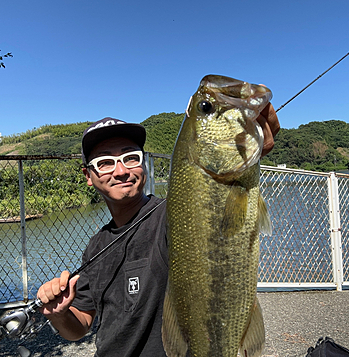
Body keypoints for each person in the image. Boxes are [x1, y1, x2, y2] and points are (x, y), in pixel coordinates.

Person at [36, 104, 280, 356]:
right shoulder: (95, 247)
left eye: (131, 157)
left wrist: (238, 148)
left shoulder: (174, 214)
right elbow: (80, 326)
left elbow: (213, 205)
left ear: (143, 164)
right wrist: (59, 314)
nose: (121, 171)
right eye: (105, 162)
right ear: (89, 175)